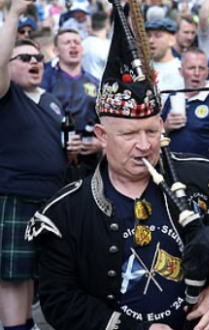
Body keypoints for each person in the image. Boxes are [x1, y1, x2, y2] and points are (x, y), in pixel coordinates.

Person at [26, 6, 209, 330]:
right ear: (102, 136)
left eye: (152, 130)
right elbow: (58, 299)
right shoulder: (67, 210)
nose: (145, 144)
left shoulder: (200, 176)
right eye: (130, 134)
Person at [0, 1, 79, 329]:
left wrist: (73, 149)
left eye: (38, 58)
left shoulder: (50, 100)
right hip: (16, 195)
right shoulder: (6, 93)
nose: (34, 62)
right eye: (24, 58)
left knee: (34, 275)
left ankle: (24, 324)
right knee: (14, 278)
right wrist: (14, 14)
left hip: (51, 199)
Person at [42, 28, 103, 180]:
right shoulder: (45, 81)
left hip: (89, 161)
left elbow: (107, 122)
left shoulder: (96, 83)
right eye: (67, 42)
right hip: (55, 158)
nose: (73, 46)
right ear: (56, 50)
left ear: (82, 50)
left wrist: (101, 143)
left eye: (76, 42)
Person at [161, 48, 209, 164]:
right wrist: (167, 127)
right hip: (174, 172)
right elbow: (158, 137)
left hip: (204, 173)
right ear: (181, 71)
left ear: (208, 72)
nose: (197, 73)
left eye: (201, 68)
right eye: (191, 68)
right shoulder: (173, 97)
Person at [145, 18, 185, 100]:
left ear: (172, 40)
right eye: (148, 36)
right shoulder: (143, 69)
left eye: (158, 36)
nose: (151, 40)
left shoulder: (181, 70)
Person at [82, 11, 110, 81]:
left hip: (84, 85)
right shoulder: (107, 46)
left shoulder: (82, 43)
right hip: (101, 86)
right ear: (107, 23)